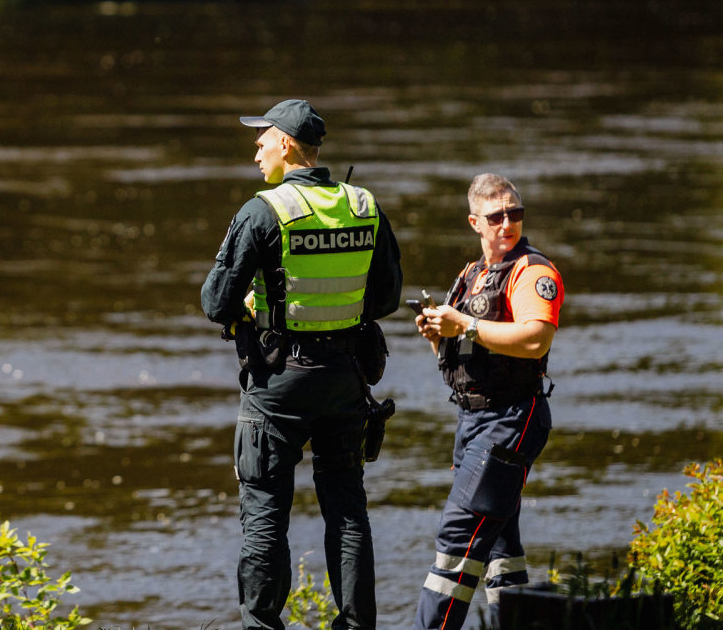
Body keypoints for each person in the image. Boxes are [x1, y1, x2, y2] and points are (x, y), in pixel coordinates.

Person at [201, 99, 402, 630]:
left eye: (262, 139)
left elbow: (214, 302)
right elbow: (386, 298)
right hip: (344, 381)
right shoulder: (364, 206)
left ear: (287, 146)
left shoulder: (263, 210)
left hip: (277, 383)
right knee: (348, 510)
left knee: (265, 512)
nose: (255, 150)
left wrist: (255, 306)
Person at [410, 173, 565, 630]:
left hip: (512, 417)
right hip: (472, 418)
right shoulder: (471, 275)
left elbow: (536, 340)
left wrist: (467, 326)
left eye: (515, 213)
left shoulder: (532, 271)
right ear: (475, 222)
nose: (507, 224)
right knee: (499, 546)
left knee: (458, 540)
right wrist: (439, 335)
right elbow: (459, 354)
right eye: (496, 216)